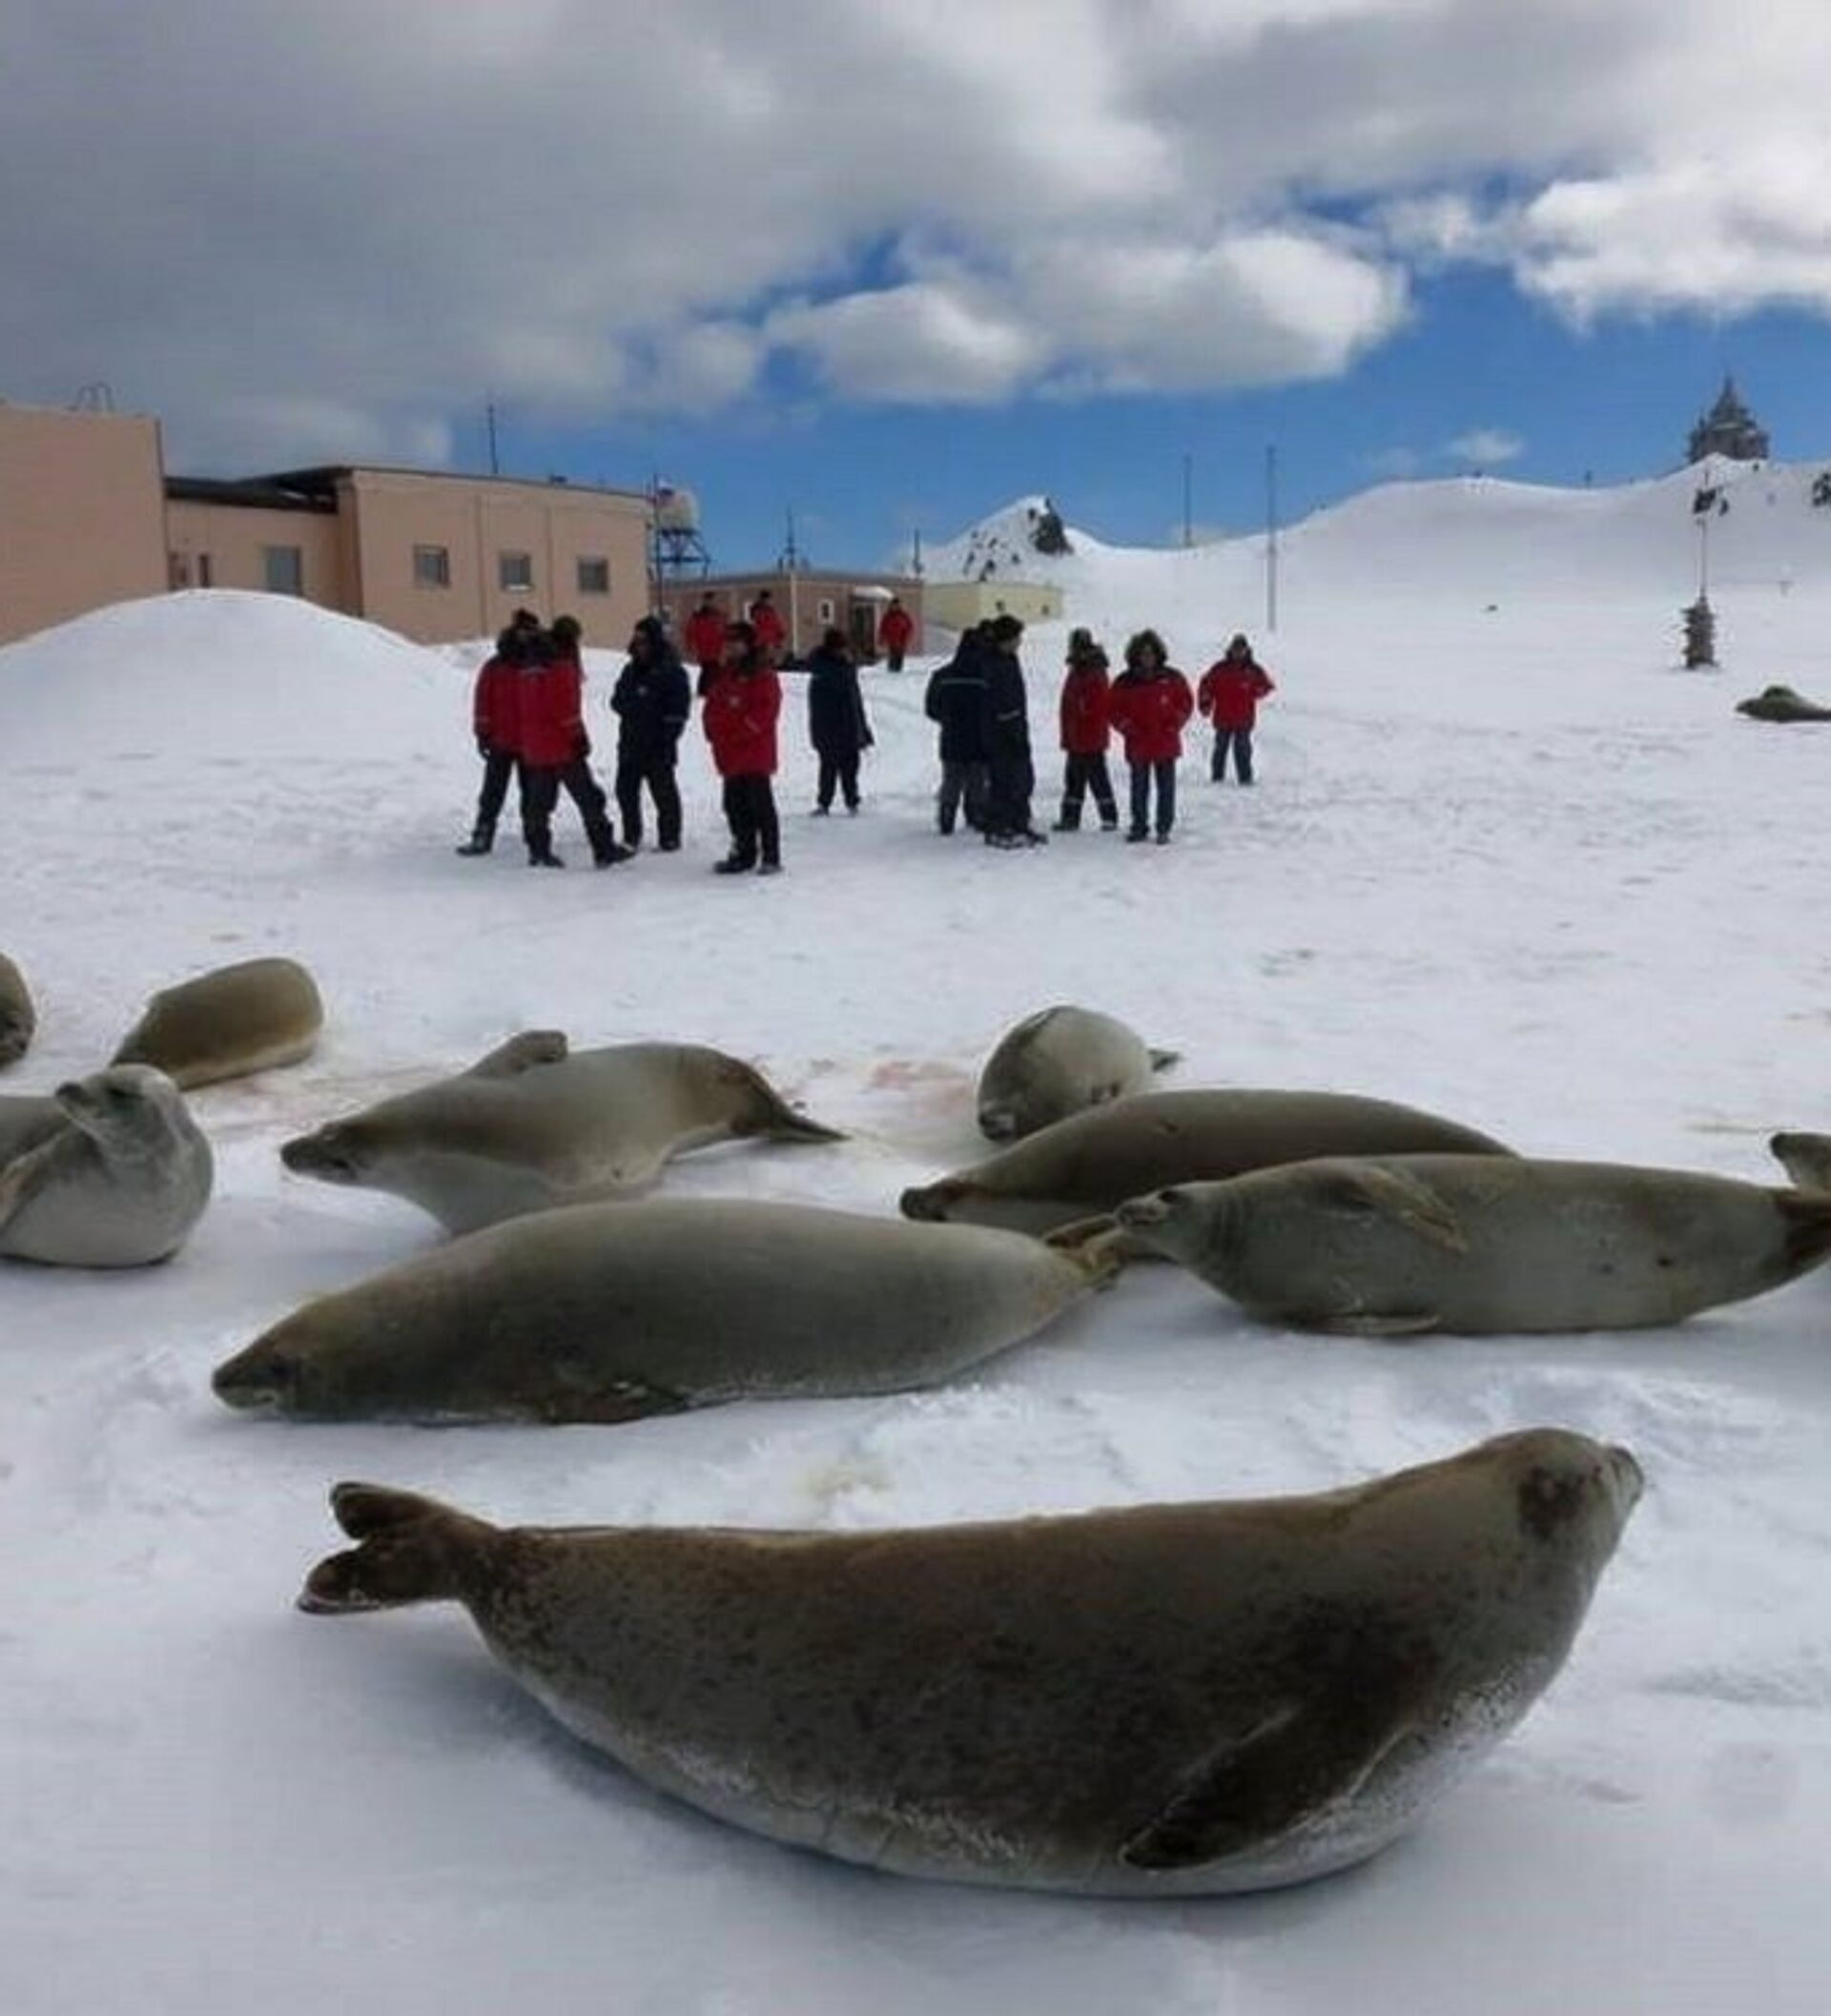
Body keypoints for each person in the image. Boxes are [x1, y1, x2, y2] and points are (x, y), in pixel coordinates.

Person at [517, 619, 630, 869]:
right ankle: (603, 848)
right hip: (561, 745)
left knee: (539, 802)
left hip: (535, 744)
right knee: (588, 797)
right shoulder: (560, 664)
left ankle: (538, 850)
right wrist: (578, 736)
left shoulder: (529, 664)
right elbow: (564, 708)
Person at [703, 620, 783, 874]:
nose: (731, 648)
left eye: (736, 642)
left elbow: (765, 712)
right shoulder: (725, 675)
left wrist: (738, 732)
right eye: (728, 643)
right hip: (730, 754)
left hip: (754, 754)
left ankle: (771, 856)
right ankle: (744, 852)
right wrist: (713, 731)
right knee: (734, 806)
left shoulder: (763, 675)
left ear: (749, 645)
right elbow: (712, 707)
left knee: (760, 806)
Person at [610, 615, 690, 852]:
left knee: (664, 793)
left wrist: (667, 735)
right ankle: (631, 835)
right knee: (626, 792)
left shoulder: (672, 671)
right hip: (630, 741)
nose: (639, 645)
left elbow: (678, 710)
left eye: (644, 640)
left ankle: (670, 837)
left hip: (658, 744)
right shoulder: (630, 670)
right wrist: (635, 702)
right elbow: (617, 701)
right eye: (637, 640)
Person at [1108, 628, 1194, 845]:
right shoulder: (1124, 681)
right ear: (1135, 655)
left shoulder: (1173, 677)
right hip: (1138, 744)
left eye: (1151, 653)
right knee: (1139, 788)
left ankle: (1163, 828)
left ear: (1158, 654)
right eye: (1143, 653)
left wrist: (1176, 722)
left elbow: (1185, 702)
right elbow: (1112, 709)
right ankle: (1139, 826)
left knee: (1166, 790)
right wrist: (1126, 727)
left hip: (1166, 743)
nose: (1147, 657)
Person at [456, 624, 525, 855]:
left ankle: (528, 833)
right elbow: (483, 701)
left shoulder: (503, 667)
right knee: (495, 793)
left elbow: (482, 701)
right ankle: (486, 833)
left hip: (514, 741)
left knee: (508, 792)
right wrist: (483, 731)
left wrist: (483, 732)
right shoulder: (496, 667)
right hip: (507, 741)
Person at [979, 613, 1044, 848]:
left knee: (1023, 780)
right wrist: (1006, 721)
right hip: (1000, 733)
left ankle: (1019, 823)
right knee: (1002, 783)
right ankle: (999, 827)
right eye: (1016, 637)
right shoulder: (992, 663)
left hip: (1016, 730)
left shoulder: (1010, 660)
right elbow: (995, 701)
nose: (1019, 642)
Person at [923, 624, 991, 835]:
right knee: (977, 781)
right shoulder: (987, 676)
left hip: (951, 738)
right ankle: (977, 816)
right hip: (980, 739)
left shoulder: (942, 676)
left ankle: (946, 816)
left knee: (951, 781)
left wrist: (947, 719)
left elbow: (931, 708)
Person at [1053, 627, 1119, 833]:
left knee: (1096, 778)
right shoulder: (1079, 670)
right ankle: (1071, 818)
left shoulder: (1092, 671)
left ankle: (1108, 817)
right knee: (1074, 779)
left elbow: (1097, 704)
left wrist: (1082, 711)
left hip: (1089, 736)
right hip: (1077, 736)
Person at [805, 627, 874, 814]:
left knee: (849, 768)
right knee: (830, 768)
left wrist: (863, 729)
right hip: (832, 730)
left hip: (848, 728)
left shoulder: (844, 669)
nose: (846, 651)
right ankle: (827, 802)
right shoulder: (827, 673)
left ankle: (850, 800)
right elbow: (826, 708)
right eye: (842, 648)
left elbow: (856, 702)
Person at [1198, 633, 1275, 784]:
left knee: (1243, 750)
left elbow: (1267, 685)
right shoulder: (1220, 669)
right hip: (1223, 719)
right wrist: (1205, 703)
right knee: (1220, 749)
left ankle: (1245, 779)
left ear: (1246, 650)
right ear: (1230, 650)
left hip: (1243, 719)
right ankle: (1217, 778)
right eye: (1236, 649)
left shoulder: (1253, 670)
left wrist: (1259, 691)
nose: (1238, 652)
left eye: (1241, 649)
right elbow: (1206, 685)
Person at [684, 595, 728, 697]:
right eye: (708, 601)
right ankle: (703, 691)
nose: (710, 603)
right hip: (704, 648)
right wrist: (690, 646)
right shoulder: (698, 616)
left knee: (716, 671)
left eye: (712, 601)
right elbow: (690, 632)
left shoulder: (719, 615)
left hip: (717, 648)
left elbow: (724, 631)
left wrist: (725, 646)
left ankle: (713, 690)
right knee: (708, 670)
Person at [748, 587, 788, 666]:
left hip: (771, 639)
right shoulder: (760, 610)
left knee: (774, 656)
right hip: (764, 640)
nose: (770, 601)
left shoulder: (770, 611)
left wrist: (780, 632)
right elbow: (763, 625)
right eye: (769, 599)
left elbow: (775, 623)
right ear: (765, 599)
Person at [878, 595, 914, 672]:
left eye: (896, 605)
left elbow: (909, 627)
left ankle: (898, 672)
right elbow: (882, 628)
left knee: (899, 657)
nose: (894, 607)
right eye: (893, 605)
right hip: (891, 641)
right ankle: (891, 671)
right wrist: (881, 639)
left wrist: (907, 638)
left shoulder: (904, 616)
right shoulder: (887, 616)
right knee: (892, 657)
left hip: (901, 641)